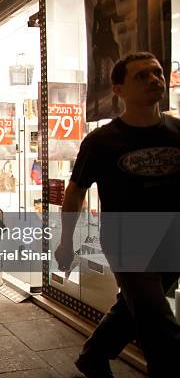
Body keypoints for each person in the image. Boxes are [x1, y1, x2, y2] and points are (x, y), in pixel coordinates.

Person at [55, 52, 180, 378]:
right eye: (142, 75)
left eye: (157, 72)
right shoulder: (101, 141)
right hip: (126, 238)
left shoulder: (178, 132)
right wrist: (66, 242)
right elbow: (76, 191)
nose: (155, 79)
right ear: (118, 89)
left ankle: (94, 355)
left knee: (136, 305)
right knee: (158, 322)